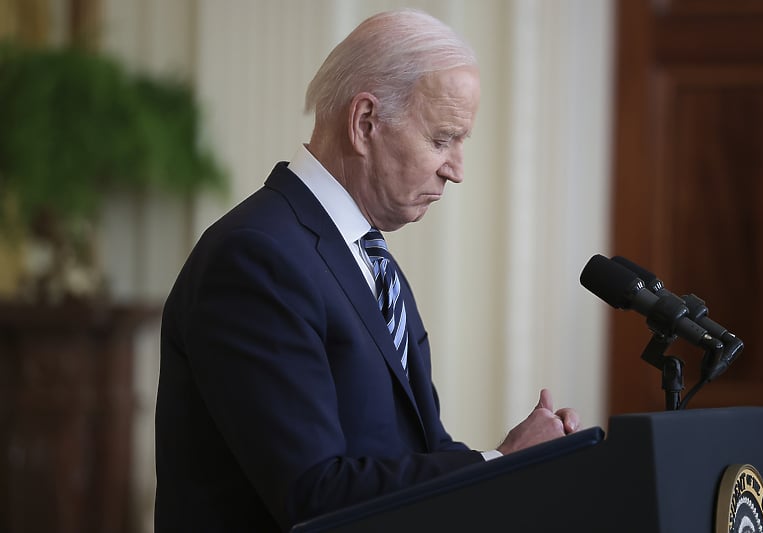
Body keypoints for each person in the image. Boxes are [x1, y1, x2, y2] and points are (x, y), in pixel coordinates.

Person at [154, 8, 580, 532]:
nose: (457, 170)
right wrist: (500, 461)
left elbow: (423, 449)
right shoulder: (255, 257)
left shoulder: (368, 258)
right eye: (442, 139)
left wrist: (518, 463)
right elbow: (313, 494)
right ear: (365, 123)